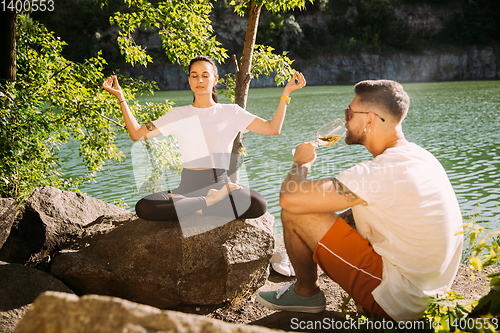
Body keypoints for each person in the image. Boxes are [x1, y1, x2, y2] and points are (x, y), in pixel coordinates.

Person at [256, 80, 463, 322]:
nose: (345, 120)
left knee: (297, 213)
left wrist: (301, 164)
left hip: (400, 299)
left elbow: (290, 199)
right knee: (351, 213)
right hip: (428, 291)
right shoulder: (419, 157)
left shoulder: (380, 171)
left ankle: (305, 293)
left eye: (349, 113)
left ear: (370, 120)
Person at [103, 55, 306, 222]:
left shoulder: (231, 112)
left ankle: (195, 207)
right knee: (145, 207)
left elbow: (272, 128)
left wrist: (286, 93)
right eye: (194, 76)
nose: (199, 80)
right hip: (187, 187)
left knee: (258, 203)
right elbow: (137, 134)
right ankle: (206, 203)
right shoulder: (178, 114)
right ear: (189, 80)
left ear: (214, 80)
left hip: (221, 184)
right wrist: (121, 97)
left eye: (205, 75)